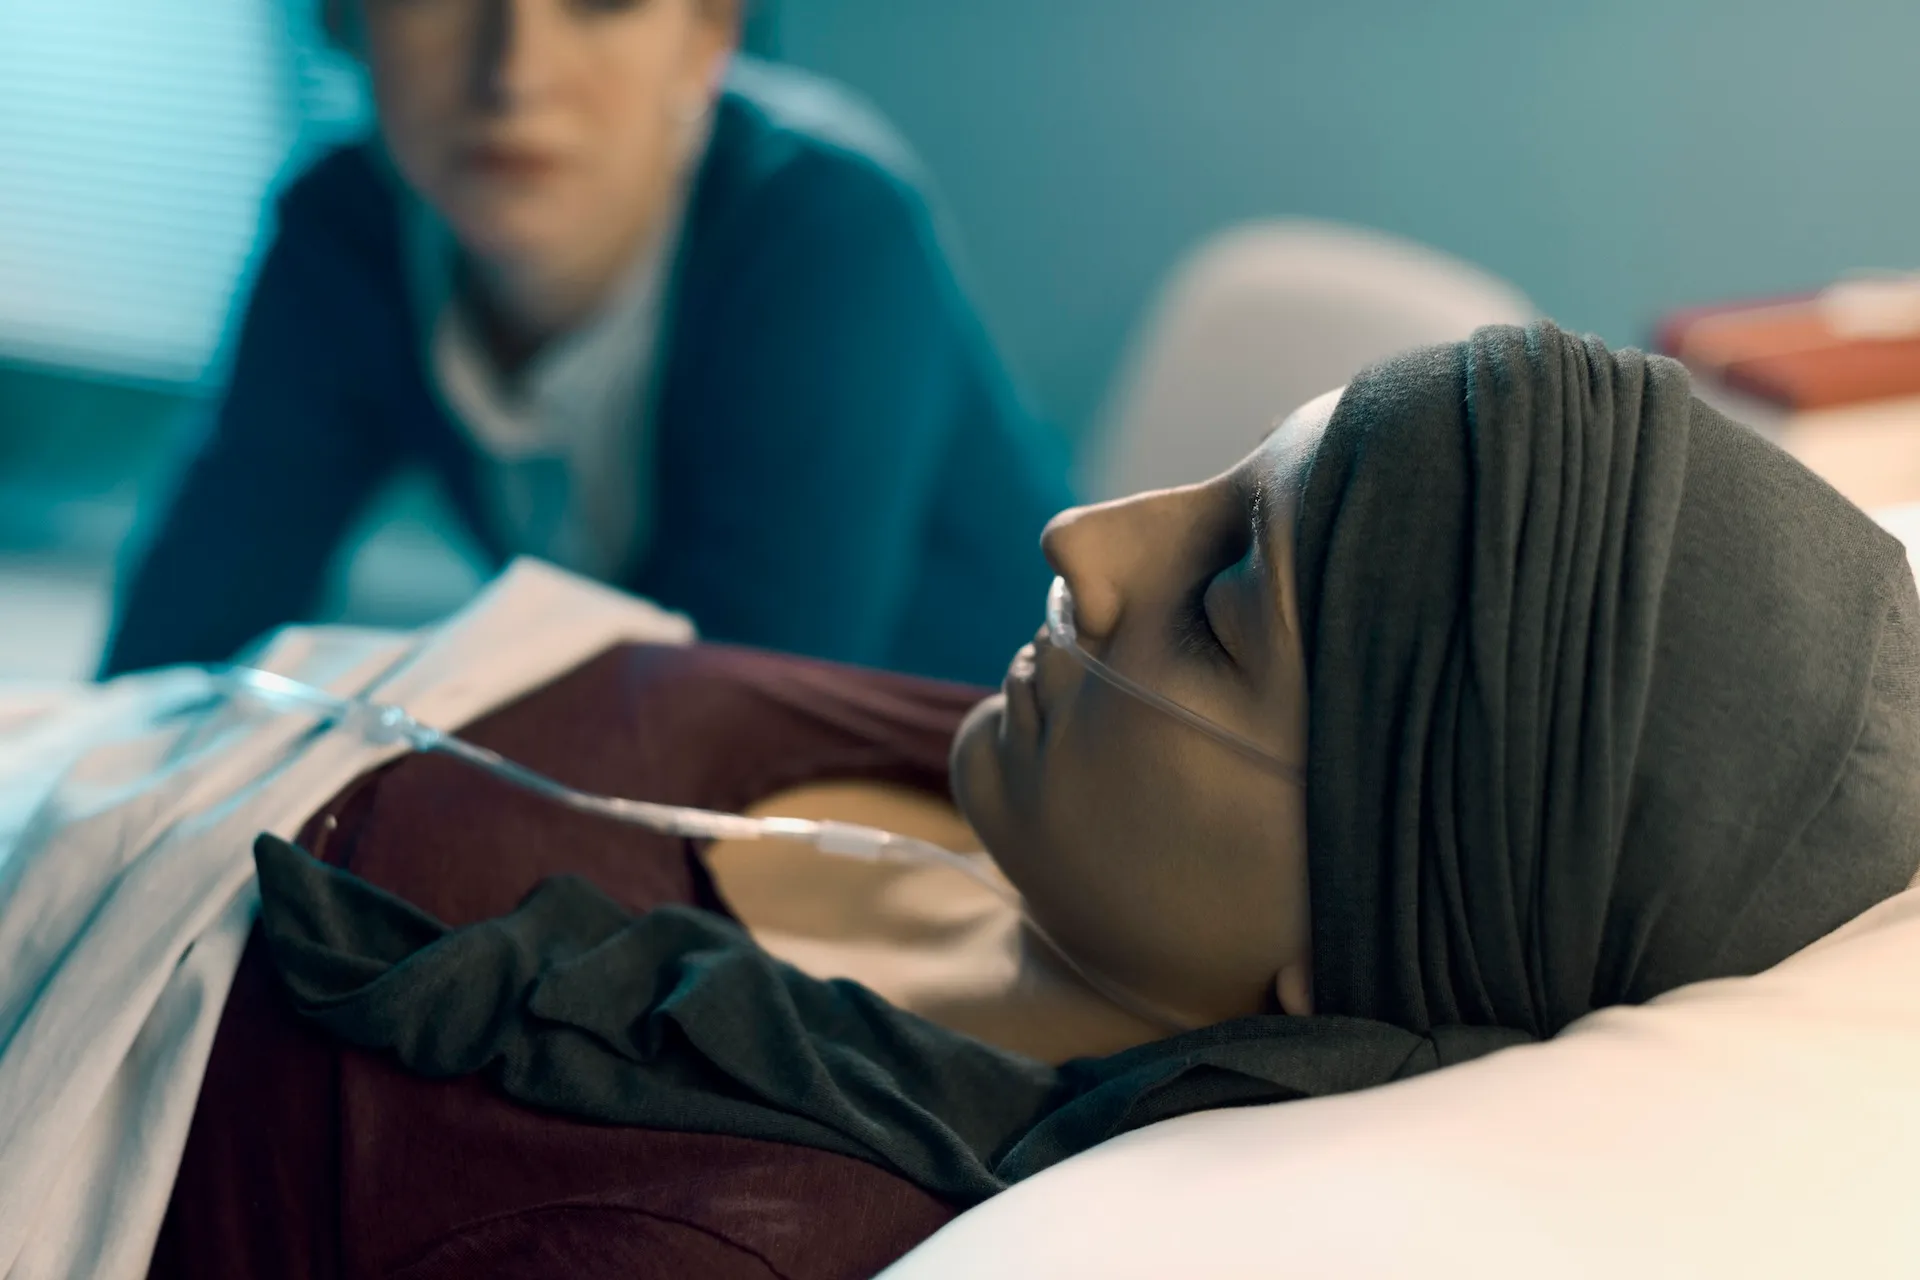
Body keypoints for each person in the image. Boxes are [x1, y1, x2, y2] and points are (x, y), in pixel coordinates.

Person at [152, 323, 1920, 1276]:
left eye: (1224, 603)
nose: (1083, 538)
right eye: (1221, 484)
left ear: (1364, 925)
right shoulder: (1030, 785)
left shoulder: (702, 1225)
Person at [100, 0, 1072, 688]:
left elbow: (738, 709)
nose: (514, 75)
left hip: (976, 819)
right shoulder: (347, 234)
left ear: (709, 32)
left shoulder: (828, 229)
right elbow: (174, 655)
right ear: (341, 17)